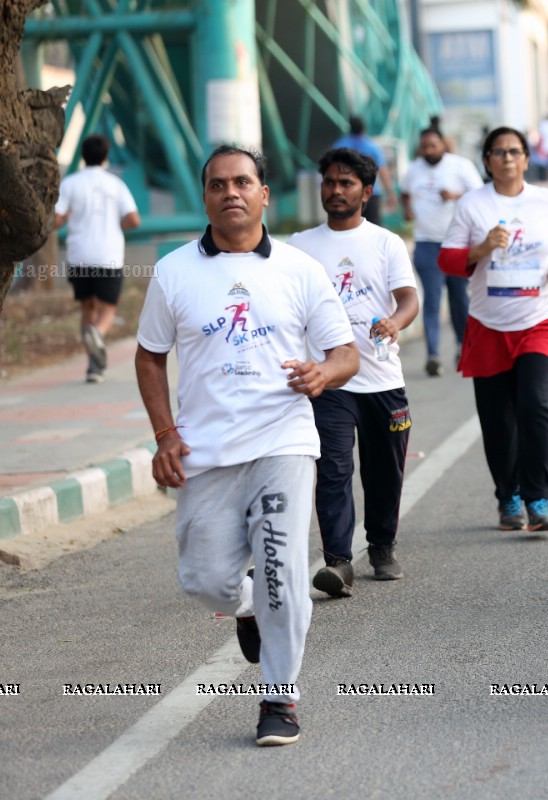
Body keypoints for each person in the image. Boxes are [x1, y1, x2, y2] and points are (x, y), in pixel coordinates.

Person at [134, 145, 358, 746]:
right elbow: (149, 357)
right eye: (217, 184)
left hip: (282, 440)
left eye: (242, 182)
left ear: (263, 194)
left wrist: (323, 374)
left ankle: (280, 698)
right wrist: (164, 434)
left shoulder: (298, 269)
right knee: (204, 581)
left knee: (283, 570)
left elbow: (346, 353)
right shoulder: (174, 272)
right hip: (206, 454)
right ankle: (249, 606)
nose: (230, 192)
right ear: (204, 197)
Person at [289, 148, 419, 598]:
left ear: (366, 192)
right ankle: (338, 563)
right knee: (334, 469)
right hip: (331, 380)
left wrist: (395, 322)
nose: (335, 190)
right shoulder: (300, 247)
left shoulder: (385, 243)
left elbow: (408, 299)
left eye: (346, 184)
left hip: (383, 378)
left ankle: (382, 547)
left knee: (385, 470)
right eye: (329, 182)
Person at [438, 127, 548, 532]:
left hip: (538, 319)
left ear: (526, 158)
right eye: (498, 152)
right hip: (488, 324)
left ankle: (538, 500)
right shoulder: (472, 205)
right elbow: (448, 261)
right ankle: (509, 496)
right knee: (498, 420)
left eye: (514, 151)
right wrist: (481, 249)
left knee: (533, 404)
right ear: (486, 161)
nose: (507, 159)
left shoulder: (546, 201)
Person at [53, 133, 141, 383]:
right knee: (108, 309)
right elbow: (134, 220)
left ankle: (94, 367)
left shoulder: (70, 183)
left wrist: (67, 217)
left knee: (87, 307)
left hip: (79, 254)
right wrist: (116, 223)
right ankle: (98, 335)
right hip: (108, 254)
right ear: (105, 156)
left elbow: (56, 221)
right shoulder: (115, 184)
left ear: (83, 155)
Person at [401, 127, 483, 377]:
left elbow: (481, 195)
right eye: (424, 146)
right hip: (426, 244)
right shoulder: (413, 169)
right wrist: (407, 210)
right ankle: (433, 355)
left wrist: (455, 195)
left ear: (443, 145)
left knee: (460, 300)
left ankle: (462, 346)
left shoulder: (460, 166)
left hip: (457, 244)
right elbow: (404, 194)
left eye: (433, 146)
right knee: (432, 300)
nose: (428, 150)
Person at [333, 115, 396, 225]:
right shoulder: (372, 146)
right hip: (370, 193)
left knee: (347, 227)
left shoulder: (340, 146)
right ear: (364, 128)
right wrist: (390, 193)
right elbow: (383, 172)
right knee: (373, 229)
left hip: (347, 192)